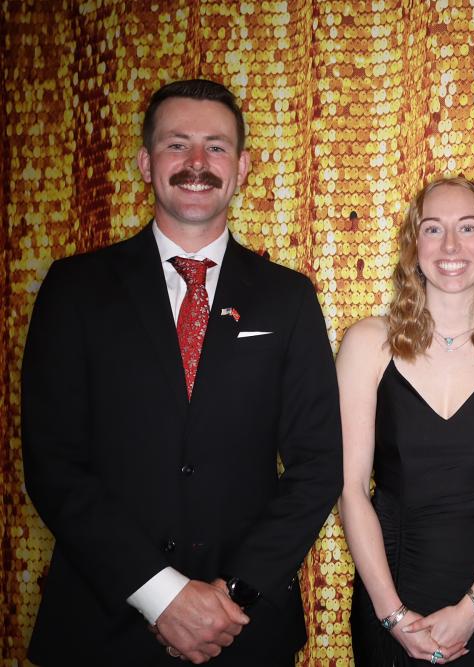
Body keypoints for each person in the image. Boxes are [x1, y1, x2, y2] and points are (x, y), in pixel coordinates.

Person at [21, 79, 343, 666]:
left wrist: (232, 595)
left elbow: (318, 467)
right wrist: (161, 594)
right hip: (101, 627)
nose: (197, 163)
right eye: (177, 144)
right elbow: (53, 464)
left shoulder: (289, 299)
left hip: (242, 629)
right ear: (146, 163)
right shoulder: (74, 289)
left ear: (241, 168)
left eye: (216, 147)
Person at [338, 176, 474, 665]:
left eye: (468, 227)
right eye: (433, 229)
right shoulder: (366, 343)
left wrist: (472, 609)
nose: (451, 246)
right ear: (414, 245)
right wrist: (392, 615)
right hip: (389, 587)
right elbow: (350, 490)